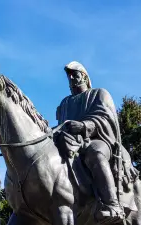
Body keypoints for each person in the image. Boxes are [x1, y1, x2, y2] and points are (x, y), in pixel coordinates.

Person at [55, 61, 127, 223]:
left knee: (95, 153)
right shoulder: (65, 103)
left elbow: (106, 118)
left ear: (85, 77)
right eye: (69, 75)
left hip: (97, 138)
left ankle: (112, 205)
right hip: (70, 143)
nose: (72, 78)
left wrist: (84, 125)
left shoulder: (99, 94)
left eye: (75, 74)